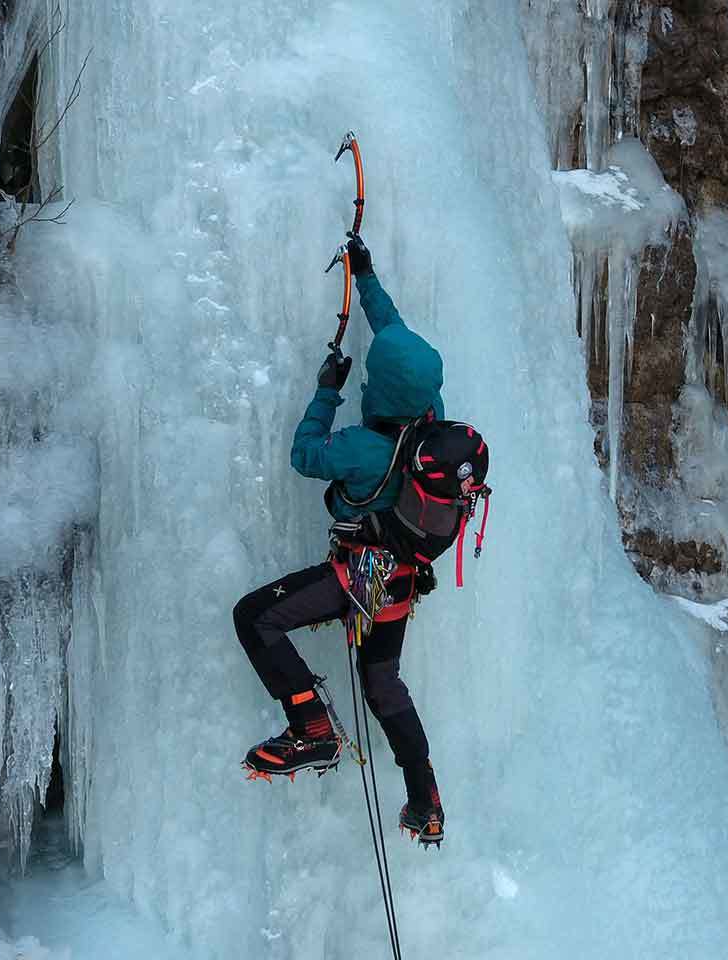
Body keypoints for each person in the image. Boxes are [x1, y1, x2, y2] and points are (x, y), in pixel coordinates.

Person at [233, 234, 444, 844]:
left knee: (256, 619)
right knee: (382, 682)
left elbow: (304, 455)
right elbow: (396, 333)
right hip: (403, 579)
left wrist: (327, 388)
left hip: (361, 577)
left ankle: (311, 726)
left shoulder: (361, 448)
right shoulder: (431, 420)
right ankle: (423, 794)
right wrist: (367, 276)